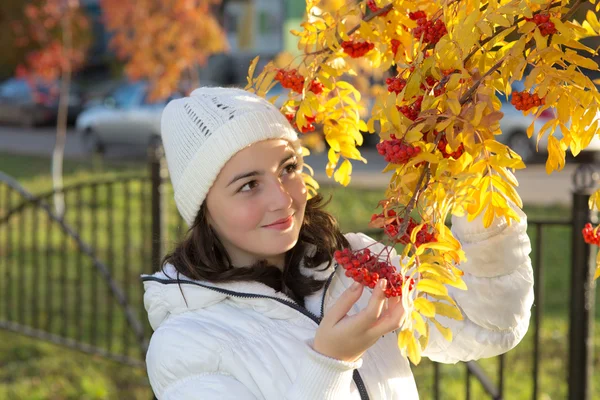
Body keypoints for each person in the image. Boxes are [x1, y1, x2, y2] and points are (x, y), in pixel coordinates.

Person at [142, 87, 534, 400]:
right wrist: (331, 362)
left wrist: (474, 178)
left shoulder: (354, 266)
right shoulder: (185, 346)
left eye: (288, 168)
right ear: (203, 209)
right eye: (249, 185)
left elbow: (490, 323)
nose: (282, 198)